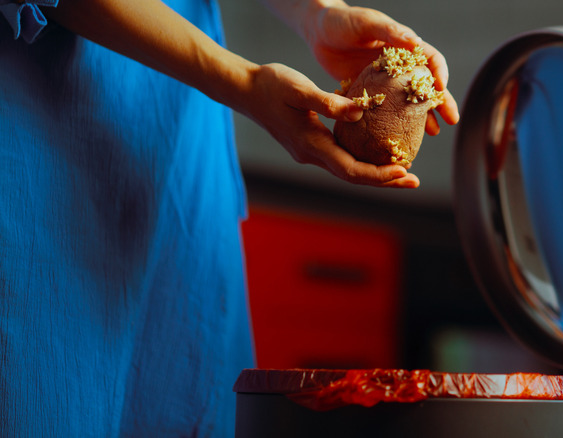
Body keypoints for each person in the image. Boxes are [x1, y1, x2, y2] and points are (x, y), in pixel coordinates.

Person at [0, 0, 459, 436]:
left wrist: (319, 13)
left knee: (178, 393)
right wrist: (240, 80)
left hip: (180, 135)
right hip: (42, 136)